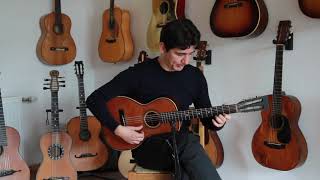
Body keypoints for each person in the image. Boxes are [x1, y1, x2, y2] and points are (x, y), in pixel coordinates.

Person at [86, 18, 231, 180]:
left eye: (191, 54)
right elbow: (94, 100)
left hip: (180, 147)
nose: (186, 61)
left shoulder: (195, 77)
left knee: (186, 169)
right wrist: (118, 129)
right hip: (148, 149)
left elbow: (207, 117)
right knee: (188, 143)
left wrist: (218, 121)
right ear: (163, 48)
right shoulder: (139, 74)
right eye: (180, 54)